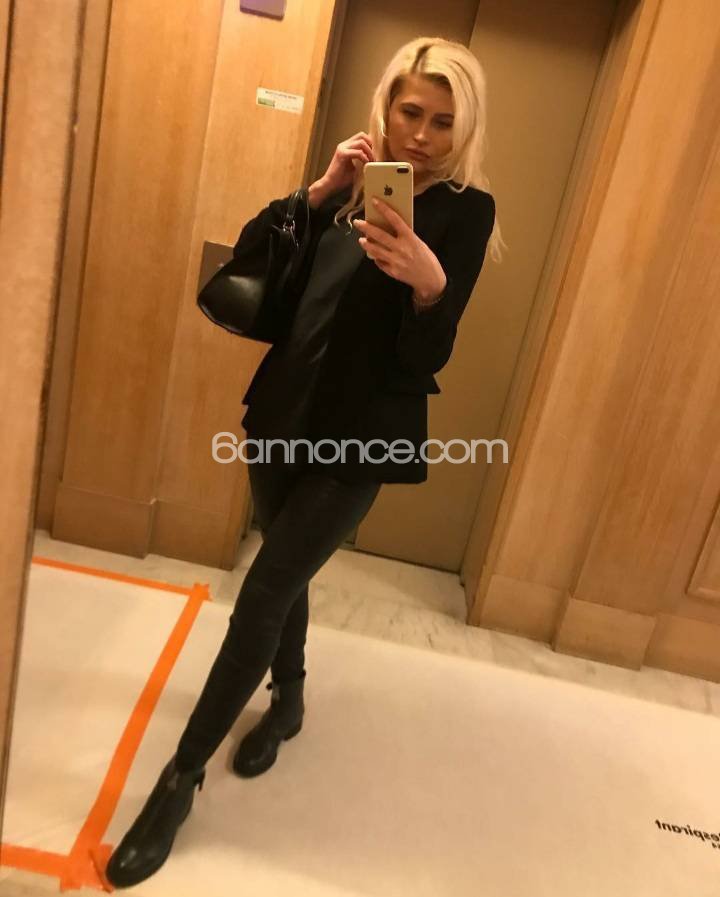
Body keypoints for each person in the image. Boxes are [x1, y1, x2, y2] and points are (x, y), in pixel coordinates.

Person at [105, 35, 504, 889]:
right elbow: (261, 265)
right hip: (281, 414)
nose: (422, 134)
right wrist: (319, 191)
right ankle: (288, 699)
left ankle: (177, 781)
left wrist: (429, 285)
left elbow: (425, 358)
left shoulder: (467, 213)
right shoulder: (352, 183)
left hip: (361, 440)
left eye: (442, 120)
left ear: (463, 127)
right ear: (385, 106)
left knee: (262, 588)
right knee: (284, 575)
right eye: (410, 111)